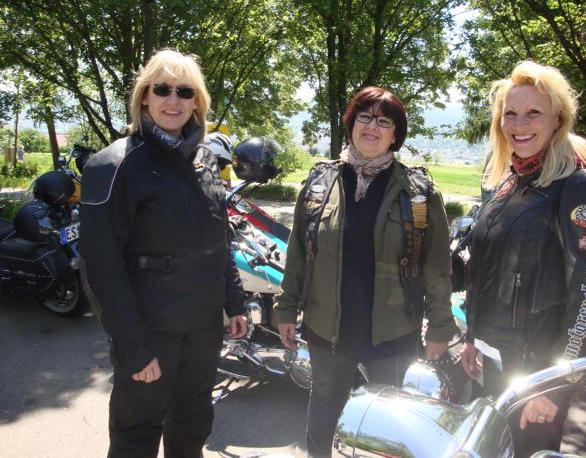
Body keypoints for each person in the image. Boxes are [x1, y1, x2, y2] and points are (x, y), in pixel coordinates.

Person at [80, 49, 247, 458]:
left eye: (185, 91)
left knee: (192, 428)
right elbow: (100, 267)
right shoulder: (114, 164)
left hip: (202, 330)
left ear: (197, 102)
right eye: (162, 89)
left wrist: (235, 301)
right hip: (149, 330)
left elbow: (219, 239)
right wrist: (135, 347)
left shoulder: (205, 160)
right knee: (136, 437)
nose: (173, 100)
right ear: (144, 97)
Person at [274, 86, 457, 457]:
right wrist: (286, 307)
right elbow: (299, 253)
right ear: (351, 123)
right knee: (324, 406)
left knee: (387, 423)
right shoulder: (320, 182)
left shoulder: (418, 192)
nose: (372, 126)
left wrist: (440, 325)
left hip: (393, 331)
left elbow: (436, 266)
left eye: (384, 121)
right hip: (328, 326)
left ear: (395, 134)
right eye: (365, 117)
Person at [460, 61, 586, 457]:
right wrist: (472, 337)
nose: (519, 124)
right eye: (510, 113)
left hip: (537, 371)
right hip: (491, 357)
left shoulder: (578, 188)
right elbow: (484, 268)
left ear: (557, 119)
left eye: (533, 112)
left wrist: (555, 381)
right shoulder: (508, 182)